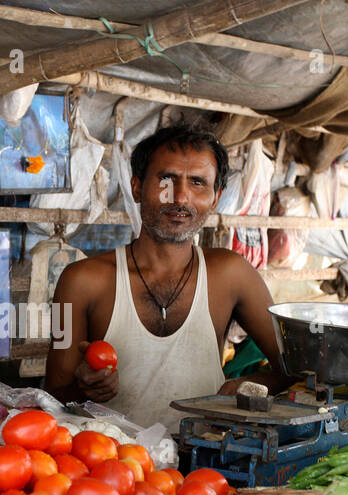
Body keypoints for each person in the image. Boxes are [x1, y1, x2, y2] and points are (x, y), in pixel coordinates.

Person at [44, 123, 292, 432]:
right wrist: (84, 389)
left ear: (215, 199)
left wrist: (251, 385)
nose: (181, 197)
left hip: (206, 466)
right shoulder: (80, 282)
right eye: (166, 179)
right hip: (114, 468)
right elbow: (53, 396)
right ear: (137, 187)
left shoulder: (232, 274)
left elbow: (295, 367)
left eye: (198, 183)